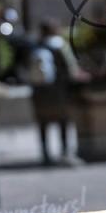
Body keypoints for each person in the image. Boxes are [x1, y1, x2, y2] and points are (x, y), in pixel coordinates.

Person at [20, 21, 73, 165]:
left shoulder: (34, 47)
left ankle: (45, 154)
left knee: (43, 124)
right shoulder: (59, 46)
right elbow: (68, 70)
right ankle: (64, 152)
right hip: (57, 92)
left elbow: (25, 69)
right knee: (62, 122)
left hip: (39, 93)